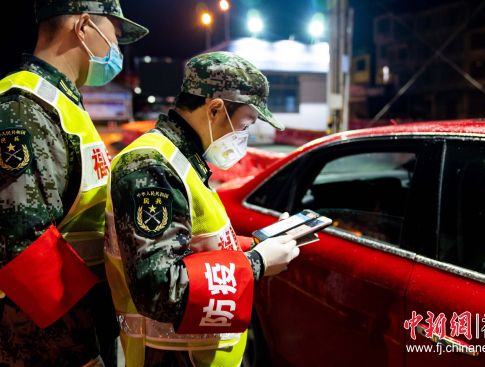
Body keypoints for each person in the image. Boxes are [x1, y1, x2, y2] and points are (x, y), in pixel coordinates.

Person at [105, 51, 300, 367]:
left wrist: (256, 244)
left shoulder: (185, 160)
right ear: (215, 109)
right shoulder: (150, 167)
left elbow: (194, 244)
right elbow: (160, 288)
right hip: (165, 355)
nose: (244, 138)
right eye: (245, 124)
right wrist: (256, 263)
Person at [0, 1, 148, 366]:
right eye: (115, 34)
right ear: (83, 28)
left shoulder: (60, 101)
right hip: (46, 343)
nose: (118, 50)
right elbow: (22, 246)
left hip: (79, 325)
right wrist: (81, 352)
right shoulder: (24, 107)